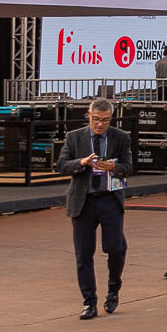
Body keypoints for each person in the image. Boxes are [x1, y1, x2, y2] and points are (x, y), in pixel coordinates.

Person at [57, 100, 132, 319]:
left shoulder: (120, 137)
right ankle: (89, 301)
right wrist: (82, 162)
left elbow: (129, 167)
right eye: (96, 119)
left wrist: (115, 167)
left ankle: (113, 288)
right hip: (83, 201)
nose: (100, 124)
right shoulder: (74, 137)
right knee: (83, 253)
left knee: (115, 248)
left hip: (109, 199)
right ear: (88, 115)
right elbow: (61, 165)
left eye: (106, 120)